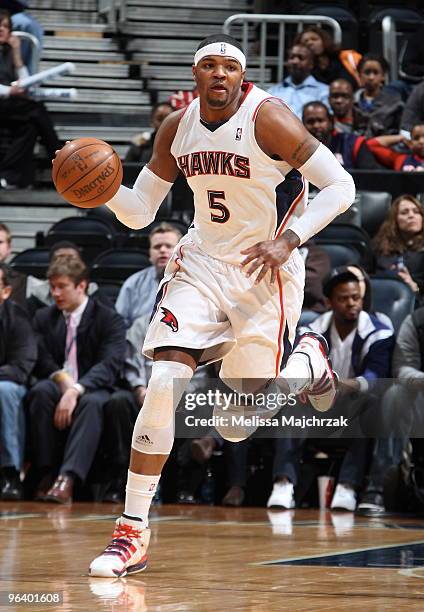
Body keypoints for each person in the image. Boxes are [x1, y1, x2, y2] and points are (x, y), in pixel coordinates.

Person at [82, 33, 355, 577]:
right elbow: (139, 212)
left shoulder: (269, 118)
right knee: (163, 382)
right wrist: (101, 188)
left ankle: (306, 361)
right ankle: (131, 532)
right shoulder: (176, 128)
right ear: (196, 76)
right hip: (202, 264)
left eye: (229, 67)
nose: (219, 75)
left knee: (233, 423)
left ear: (241, 75)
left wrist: (289, 239)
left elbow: (340, 186)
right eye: (209, 66)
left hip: (266, 271)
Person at [267, 268, 394, 512]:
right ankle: (283, 482)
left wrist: (339, 385)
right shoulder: (308, 332)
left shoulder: (380, 332)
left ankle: (348, 485)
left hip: (352, 405)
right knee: (290, 401)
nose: (351, 304)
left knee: (370, 402)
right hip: (315, 405)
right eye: (343, 298)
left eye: (356, 298)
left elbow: (376, 377)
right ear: (328, 302)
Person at [27, 256, 126, 504]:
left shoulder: (108, 318)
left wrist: (76, 389)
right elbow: (40, 358)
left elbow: (110, 364)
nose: (55, 293)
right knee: (40, 391)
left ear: (81, 286)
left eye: (62, 286)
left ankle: (68, 478)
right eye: (52, 287)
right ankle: (46, 473)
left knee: (91, 403)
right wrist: (62, 379)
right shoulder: (43, 317)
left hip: (94, 386)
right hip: (59, 383)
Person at [0, 9, 60, 188]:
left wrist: (17, 54)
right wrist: (10, 91)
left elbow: (26, 82)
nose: (2, 29)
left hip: (8, 107)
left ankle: (8, 176)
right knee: (36, 110)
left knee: (30, 126)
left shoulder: (8, 52)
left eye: (5, 26)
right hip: (5, 102)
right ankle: (58, 157)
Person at [0, 262, 37, 500]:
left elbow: (21, 367)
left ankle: (9, 473)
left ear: (5, 291)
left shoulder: (17, 317)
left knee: (3, 391)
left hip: (10, 384)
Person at [115, 222, 182, 328]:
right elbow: (119, 324)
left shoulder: (192, 281)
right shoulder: (133, 283)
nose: (162, 250)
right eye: (157, 247)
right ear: (150, 253)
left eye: (168, 246)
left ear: (180, 251)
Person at [373, 195, 424, 305]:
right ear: (394, 219)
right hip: (380, 298)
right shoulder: (379, 246)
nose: (411, 215)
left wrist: (413, 286)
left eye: (416, 212)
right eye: (404, 212)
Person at [302, 101, 381, 170]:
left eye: (320, 120)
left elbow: (370, 177)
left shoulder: (354, 143)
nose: (316, 125)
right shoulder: (297, 149)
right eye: (310, 122)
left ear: (331, 122)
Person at [268, 43, 329, 118]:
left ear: (311, 64)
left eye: (301, 58)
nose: (295, 61)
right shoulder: (273, 91)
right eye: (291, 57)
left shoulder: (324, 92)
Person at [295, 26, 361, 88]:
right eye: (305, 41)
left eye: (314, 39)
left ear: (324, 41)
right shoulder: (302, 68)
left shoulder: (348, 57)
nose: (310, 43)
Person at [354, 54, 403, 137]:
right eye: (367, 72)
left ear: (383, 76)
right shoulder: (352, 102)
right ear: (359, 75)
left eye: (376, 72)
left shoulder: (395, 103)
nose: (371, 77)